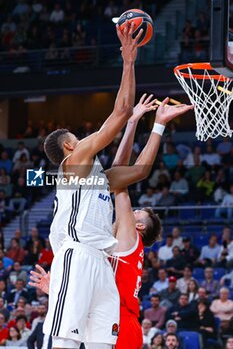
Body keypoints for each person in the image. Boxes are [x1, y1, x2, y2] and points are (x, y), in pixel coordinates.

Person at [30, 91, 193, 349]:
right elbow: (125, 173)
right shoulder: (81, 172)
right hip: (110, 301)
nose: (133, 210)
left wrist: (135, 121)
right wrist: (137, 124)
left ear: (139, 225)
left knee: (69, 341)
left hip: (111, 302)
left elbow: (125, 180)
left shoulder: (126, 233)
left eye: (138, 212)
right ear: (70, 147)